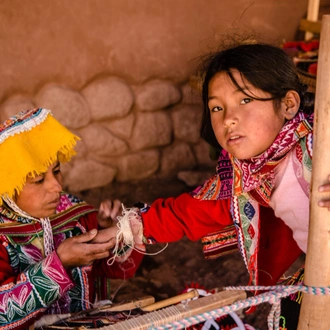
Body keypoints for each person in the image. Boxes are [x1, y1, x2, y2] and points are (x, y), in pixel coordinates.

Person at [98, 41, 330, 330]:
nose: (229, 119)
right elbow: (188, 212)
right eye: (216, 108)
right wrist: (124, 229)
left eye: (245, 100)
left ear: (288, 104)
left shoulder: (318, 148)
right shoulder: (246, 175)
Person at [0, 108, 143, 330]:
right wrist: (60, 262)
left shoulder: (73, 212)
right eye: (39, 180)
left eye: (56, 171)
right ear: (9, 189)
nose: (57, 186)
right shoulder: (3, 237)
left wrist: (106, 229)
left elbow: (115, 269)